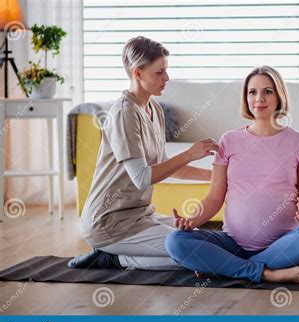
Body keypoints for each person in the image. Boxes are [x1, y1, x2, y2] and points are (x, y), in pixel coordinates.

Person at [165, 66, 299, 284]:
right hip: (232, 244)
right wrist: (192, 220)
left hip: (281, 245)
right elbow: (214, 198)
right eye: (252, 92)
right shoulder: (228, 141)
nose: (259, 99)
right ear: (246, 98)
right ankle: (268, 273)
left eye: (267, 91)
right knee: (176, 241)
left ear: (279, 96)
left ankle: (224, 267)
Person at [68, 36, 218, 270]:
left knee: (205, 241)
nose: (167, 78)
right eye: (159, 72)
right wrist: (189, 153)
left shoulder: (154, 109)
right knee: (195, 254)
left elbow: (166, 167)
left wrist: (214, 177)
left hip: (140, 216)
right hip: (108, 222)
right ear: (137, 73)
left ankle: (115, 255)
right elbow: (142, 177)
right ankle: (112, 258)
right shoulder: (124, 113)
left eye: (166, 70)